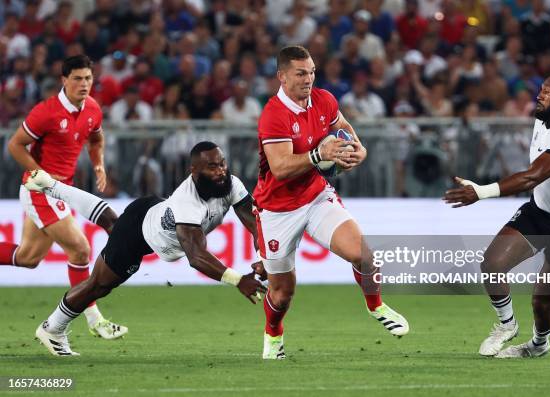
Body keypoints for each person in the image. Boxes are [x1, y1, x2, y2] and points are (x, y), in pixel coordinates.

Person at [24, 142, 267, 356]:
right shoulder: (187, 202)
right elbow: (196, 256)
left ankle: (51, 185)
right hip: (138, 235)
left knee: (111, 222)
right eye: (212, 167)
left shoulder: (230, 183)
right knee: (99, 285)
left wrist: (262, 256)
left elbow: (254, 224)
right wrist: (238, 280)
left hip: (153, 208)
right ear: (194, 171)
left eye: (222, 164)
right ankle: (52, 328)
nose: (221, 171)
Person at [254, 45, 408, 360]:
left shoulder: (324, 100)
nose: (308, 78)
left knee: (365, 256)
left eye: (311, 71)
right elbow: (281, 168)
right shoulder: (273, 114)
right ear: (282, 77)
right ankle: (273, 334)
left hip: (315, 196)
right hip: (277, 210)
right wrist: (319, 154)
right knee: (282, 293)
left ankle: (375, 305)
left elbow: (345, 129)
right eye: (300, 73)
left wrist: (358, 149)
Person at [444, 55, 550, 358]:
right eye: (541, 88)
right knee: (492, 264)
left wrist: (481, 192)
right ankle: (506, 325)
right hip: (539, 213)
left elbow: (533, 176)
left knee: (542, 304)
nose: (540, 93)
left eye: (549, 90)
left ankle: (538, 345)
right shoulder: (542, 118)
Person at [1, 55, 126, 339]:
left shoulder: (93, 108)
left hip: (62, 191)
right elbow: (15, 145)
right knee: (80, 250)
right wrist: (39, 173)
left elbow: (96, 138)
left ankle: (88, 320)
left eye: (88, 79)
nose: (84, 84)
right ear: (64, 80)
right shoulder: (46, 112)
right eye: (78, 79)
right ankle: (95, 321)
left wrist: (98, 164)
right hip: (40, 190)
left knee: (29, 257)